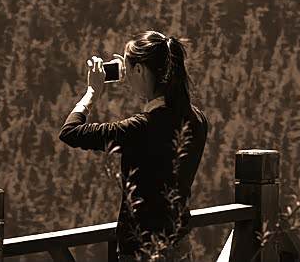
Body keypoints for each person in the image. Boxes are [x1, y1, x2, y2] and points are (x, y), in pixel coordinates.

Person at [59, 31, 209, 262]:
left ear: (139, 70)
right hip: (179, 245)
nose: (125, 75)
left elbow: (70, 132)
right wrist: (132, 70)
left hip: (142, 251)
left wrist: (91, 93)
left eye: (128, 68)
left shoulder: (140, 128)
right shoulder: (197, 119)